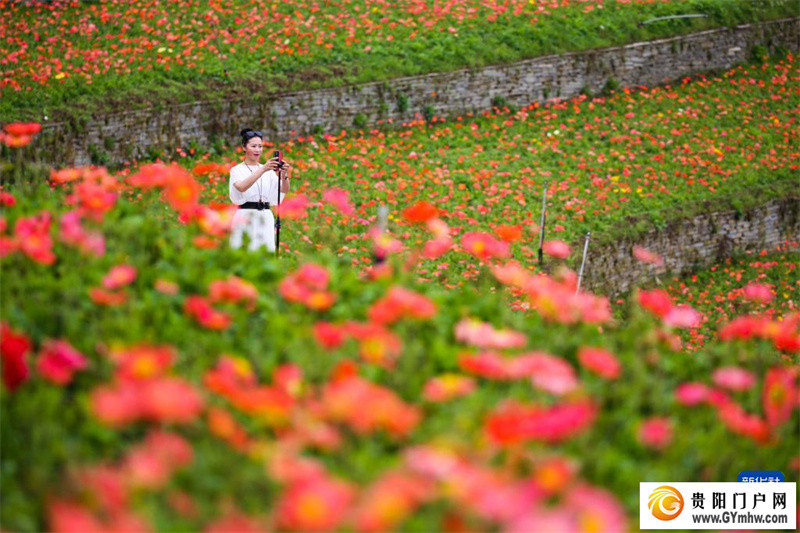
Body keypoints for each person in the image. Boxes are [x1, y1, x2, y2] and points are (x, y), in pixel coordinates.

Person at [229, 128, 292, 252]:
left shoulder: (268, 171)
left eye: (260, 146)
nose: (258, 150)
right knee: (245, 250)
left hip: (265, 215)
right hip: (245, 215)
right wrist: (263, 169)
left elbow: (284, 189)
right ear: (244, 147)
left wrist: (284, 175)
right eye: (253, 146)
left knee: (265, 251)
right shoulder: (237, 170)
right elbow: (241, 187)